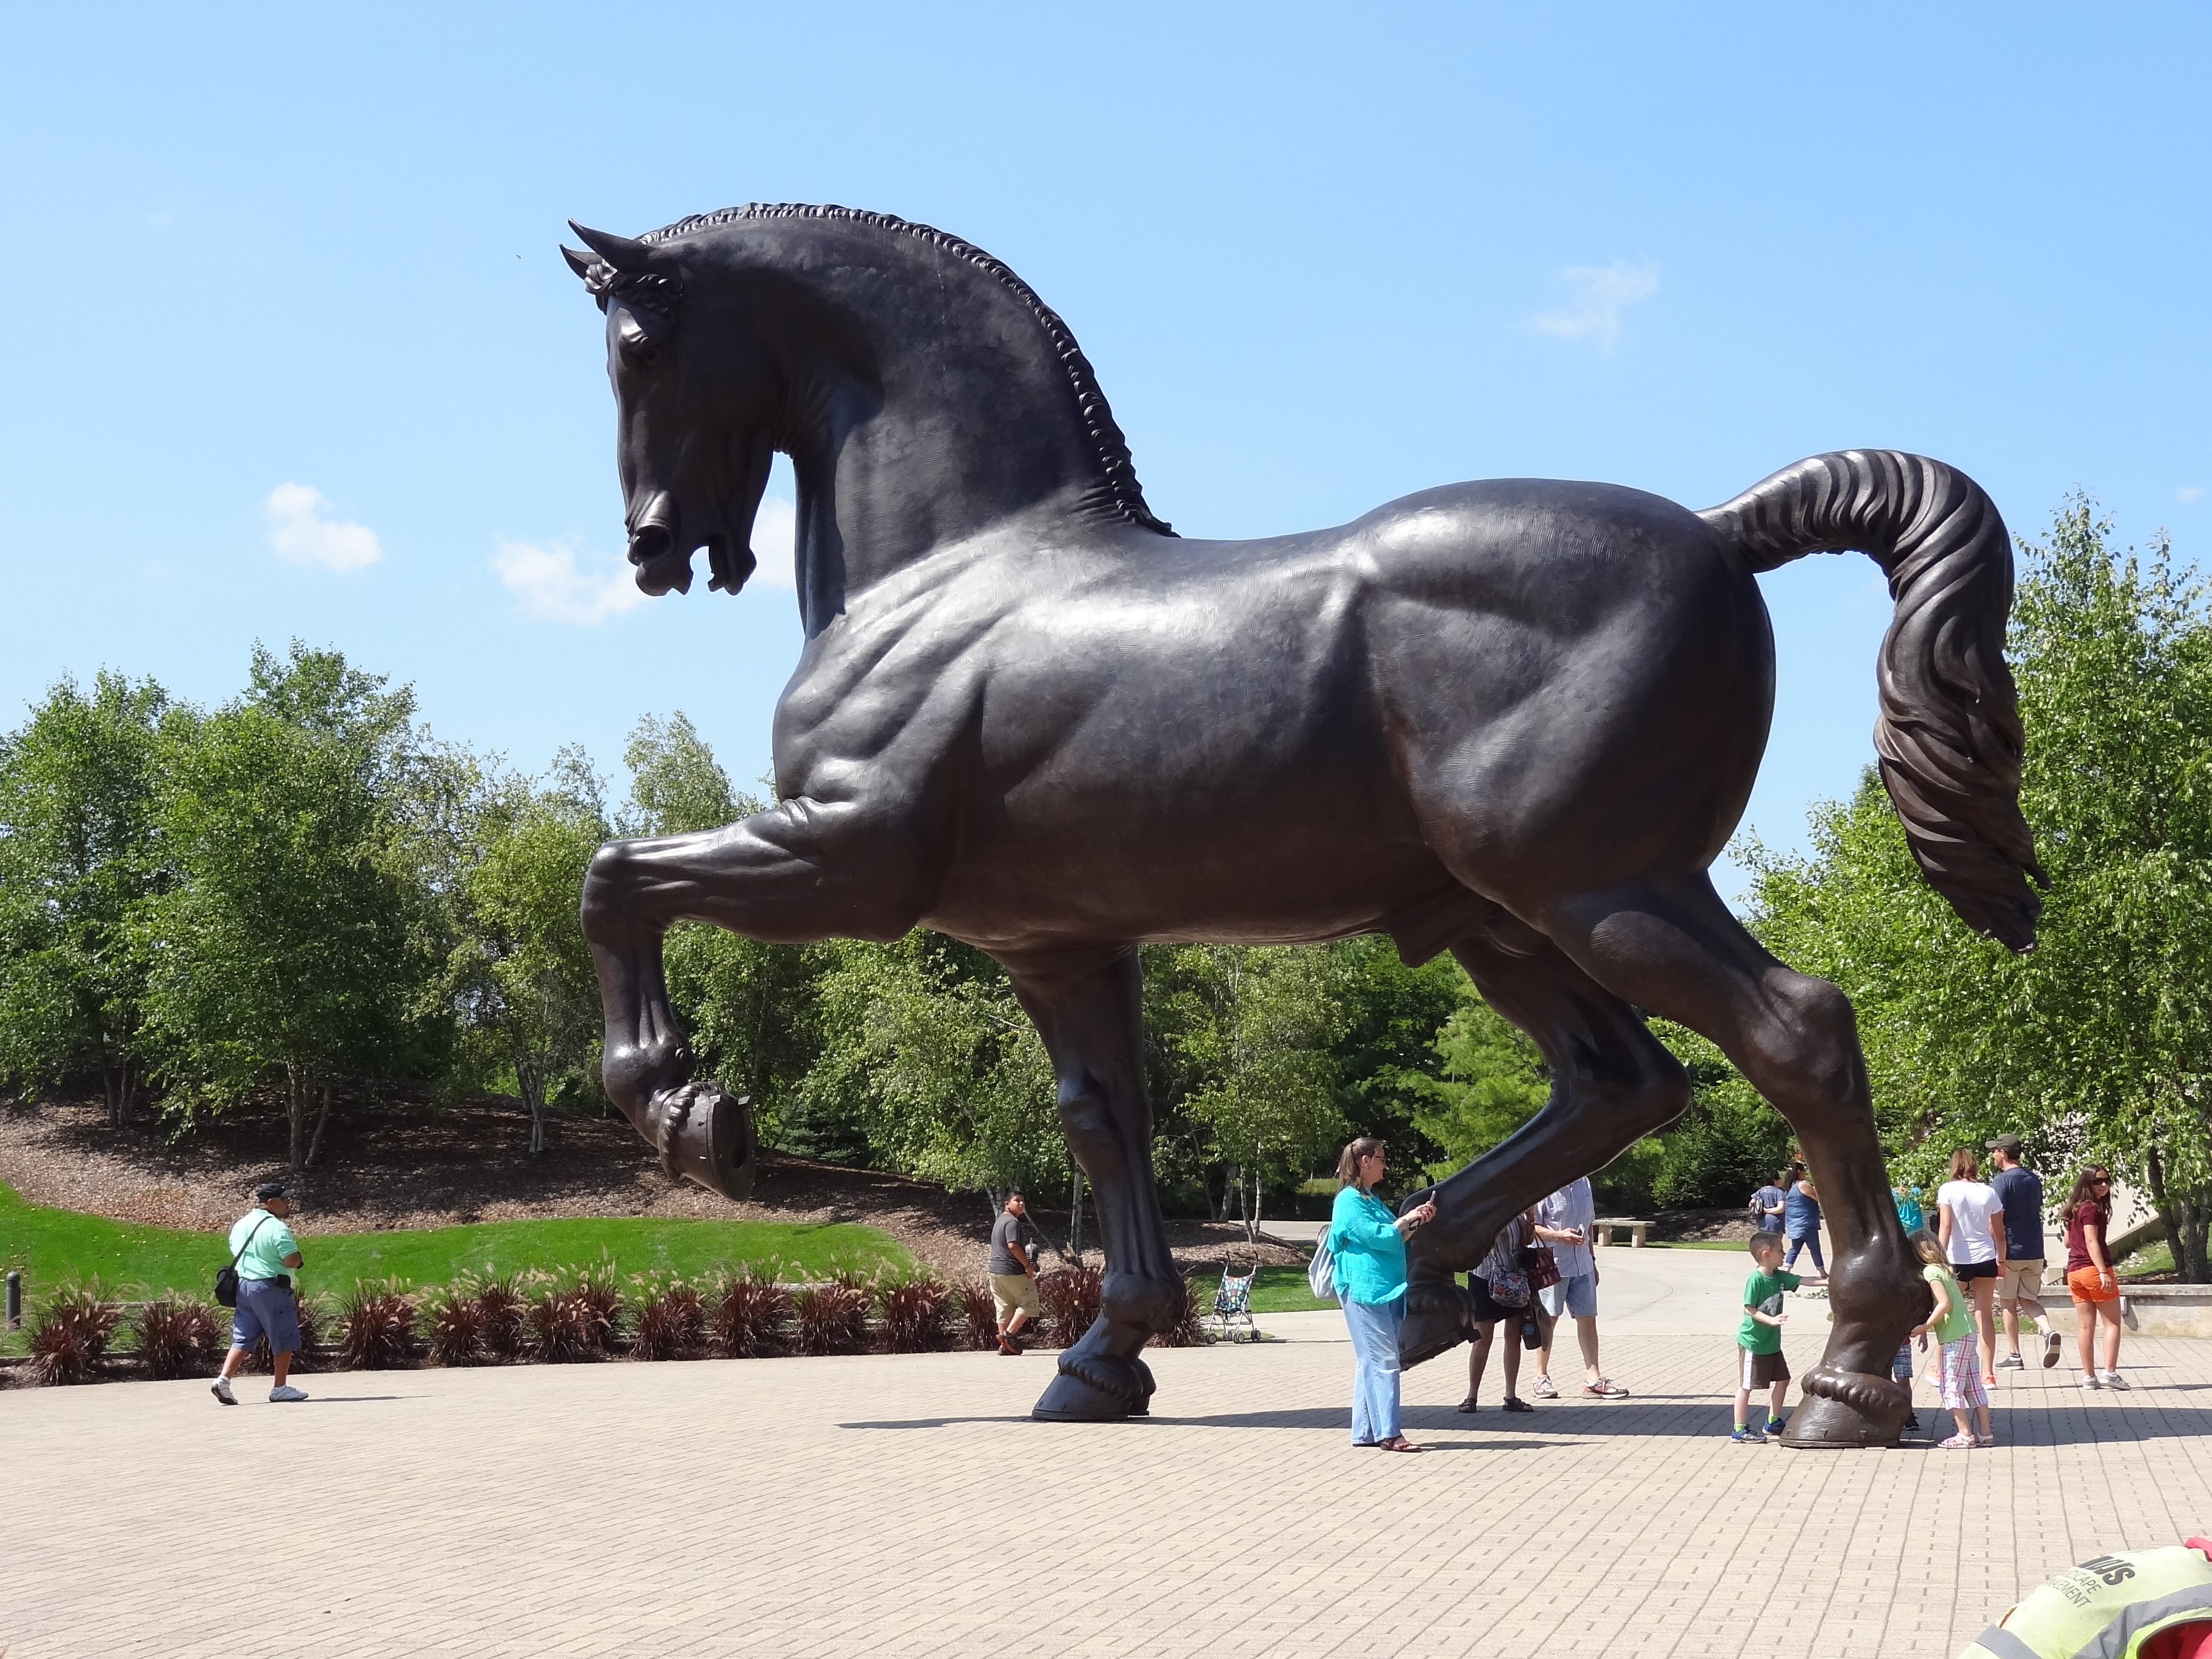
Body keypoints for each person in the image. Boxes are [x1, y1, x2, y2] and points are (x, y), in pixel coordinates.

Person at [1329, 1138, 1435, 1451]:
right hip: (1364, 1291)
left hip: (1388, 1289)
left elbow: (1395, 1238)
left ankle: (1365, 1432)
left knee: (1371, 1362)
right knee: (1385, 1362)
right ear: (1364, 1161)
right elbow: (1378, 1236)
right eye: (1381, 1159)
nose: (1385, 1166)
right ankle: (1390, 1434)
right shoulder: (1349, 1201)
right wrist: (1404, 1221)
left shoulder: (1371, 1199)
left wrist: (1416, 1221)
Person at [211, 1181, 309, 1405]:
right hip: (270, 1288)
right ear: (272, 1202)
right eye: (284, 1200)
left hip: (243, 1287)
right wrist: (299, 1260)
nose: (288, 1203)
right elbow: (291, 1260)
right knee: (283, 1336)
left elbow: (237, 1250)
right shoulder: (277, 1228)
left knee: (243, 1337)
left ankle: (223, 1380)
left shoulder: (241, 1224)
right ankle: (280, 1388)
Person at [1530, 1175, 1627, 1399]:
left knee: (1588, 1318)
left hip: (1582, 1264)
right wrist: (1558, 1236)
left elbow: (1589, 1223)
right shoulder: (1544, 1185)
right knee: (1549, 1320)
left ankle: (1594, 1379)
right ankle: (1541, 1377)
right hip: (1553, 1266)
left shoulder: (1584, 1182)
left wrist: (1592, 1261)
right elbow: (1530, 1228)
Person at [1733, 1230, 1825, 1443]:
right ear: (1767, 1254)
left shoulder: (1779, 1276)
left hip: (1772, 1344)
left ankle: (1772, 1422)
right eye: (1781, 1250)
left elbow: (1805, 1280)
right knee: (1747, 1386)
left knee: (1783, 1379)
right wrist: (1771, 1320)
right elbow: (1749, 1308)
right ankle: (1739, 1429)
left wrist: (1830, 1281)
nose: (1785, 1254)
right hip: (1753, 1343)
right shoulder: (1756, 1279)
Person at [1909, 1225, 1992, 1449]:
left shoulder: (1930, 1272)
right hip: (1967, 1332)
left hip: (1954, 1337)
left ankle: (1965, 1435)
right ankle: (1986, 1434)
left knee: (1950, 1386)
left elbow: (1944, 1304)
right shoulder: (1944, 1270)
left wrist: (1925, 1327)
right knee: (1973, 1386)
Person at [1988, 1133, 2062, 1371]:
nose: (1993, 1155)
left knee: (2008, 1304)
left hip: (2009, 1251)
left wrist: (1996, 1252)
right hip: (2034, 1249)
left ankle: (2015, 1355)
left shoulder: (2002, 1181)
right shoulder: (2033, 1179)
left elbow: (1996, 1219)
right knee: (2029, 1300)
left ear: (2003, 1153)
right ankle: (2048, 1331)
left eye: (1995, 1151)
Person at [1937, 1147, 2006, 1384]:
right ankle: (1988, 1373)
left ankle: (1940, 1369)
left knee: (1948, 1312)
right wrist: (2001, 1260)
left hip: (1956, 1257)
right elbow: (1999, 1234)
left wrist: (1939, 1258)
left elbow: (1946, 1227)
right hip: (1985, 1256)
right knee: (1984, 1315)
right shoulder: (1989, 1192)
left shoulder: (1947, 1190)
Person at [1458, 1208, 1537, 1414]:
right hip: (1484, 1277)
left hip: (1514, 1279)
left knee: (1514, 1337)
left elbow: (1526, 1242)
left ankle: (1511, 1396)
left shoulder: (1516, 1211)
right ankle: (1471, 1396)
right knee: (1483, 1337)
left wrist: (1529, 1219)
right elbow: (1477, 1240)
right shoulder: (1484, 1210)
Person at [2065, 1165, 2127, 1390]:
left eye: (2107, 1181)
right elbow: (2091, 1240)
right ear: (2087, 1183)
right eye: (2098, 1181)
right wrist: (2102, 1271)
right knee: (2112, 1323)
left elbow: (2068, 1242)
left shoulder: (2073, 1209)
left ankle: (2089, 1377)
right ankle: (2110, 1373)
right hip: (2093, 1270)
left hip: (2074, 1272)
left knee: (2085, 1327)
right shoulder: (2092, 1209)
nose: (2103, 1185)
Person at [988, 1190, 1041, 1356]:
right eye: (1017, 1201)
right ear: (1007, 1204)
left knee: (1004, 1306)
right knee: (1030, 1301)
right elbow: (1012, 1245)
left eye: (1023, 1201)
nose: (1021, 1203)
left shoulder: (999, 1221)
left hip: (995, 1272)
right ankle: (1008, 1336)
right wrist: (1028, 1265)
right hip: (1012, 1271)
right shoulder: (1012, 1222)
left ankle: (1004, 1348)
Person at [1782, 1172, 1825, 1273]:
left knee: (1795, 1248)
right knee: (1815, 1248)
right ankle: (1822, 1271)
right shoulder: (1803, 1185)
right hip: (1807, 1223)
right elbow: (1817, 1197)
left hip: (1794, 1224)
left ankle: (1787, 1269)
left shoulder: (1790, 1187)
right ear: (1799, 1172)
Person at [1750, 1170, 1789, 1235]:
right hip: (1775, 1224)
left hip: (1762, 1223)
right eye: (1779, 1179)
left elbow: (1751, 1203)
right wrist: (1766, 1210)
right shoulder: (1779, 1192)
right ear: (1775, 1180)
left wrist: (1760, 1209)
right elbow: (1780, 1209)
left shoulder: (1760, 1191)